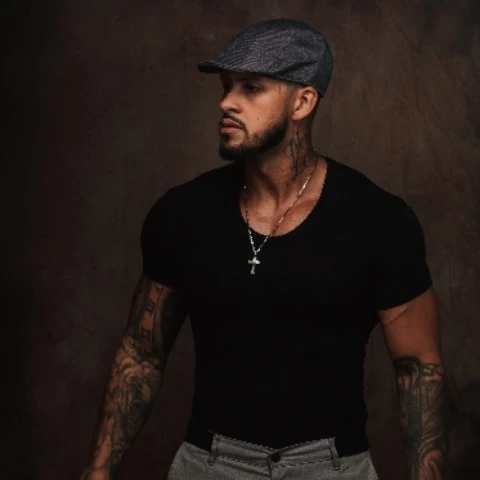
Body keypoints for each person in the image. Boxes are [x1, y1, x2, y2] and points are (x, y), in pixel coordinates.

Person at [81, 19, 448, 480]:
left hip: (331, 467)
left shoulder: (378, 220)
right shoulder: (182, 213)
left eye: (251, 88)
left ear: (303, 102)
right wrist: (98, 470)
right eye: (227, 86)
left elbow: (418, 370)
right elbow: (141, 352)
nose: (226, 102)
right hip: (209, 464)